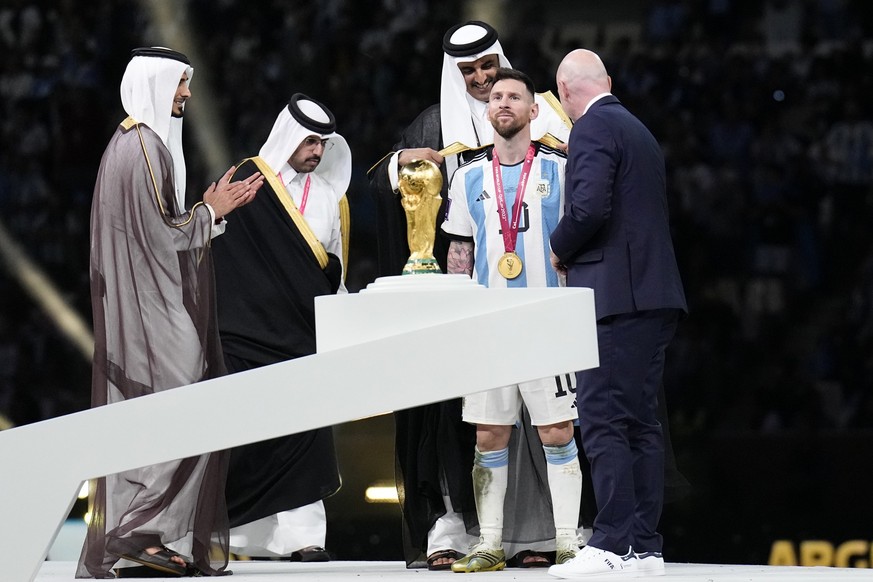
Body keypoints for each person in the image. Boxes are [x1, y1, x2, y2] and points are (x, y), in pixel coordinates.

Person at [368, 20, 575, 571]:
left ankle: (548, 533)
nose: (483, 81)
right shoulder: (434, 124)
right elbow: (391, 188)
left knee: (552, 425)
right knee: (475, 425)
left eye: (490, 68)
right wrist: (409, 167)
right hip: (474, 302)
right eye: (472, 73)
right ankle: (462, 530)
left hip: (545, 303)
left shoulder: (547, 119)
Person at [77, 46, 264, 579]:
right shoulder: (145, 148)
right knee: (190, 409)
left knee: (153, 417)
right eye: (180, 84)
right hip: (154, 309)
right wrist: (212, 210)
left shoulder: (125, 142)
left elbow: (155, 228)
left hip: (139, 306)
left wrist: (201, 213)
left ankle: (142, 540)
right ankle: (143, 529)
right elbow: (162, 236)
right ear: (156, 84)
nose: (185, 95)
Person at [546, 49, 687, 579]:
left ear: (563, 91)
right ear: (605, 81)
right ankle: (643, 547)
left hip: (615, 297)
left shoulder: (591, 128)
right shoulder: (637, 128)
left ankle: (611, 544)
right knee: (639, 423)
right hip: (652, 296)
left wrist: (558, 248)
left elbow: (588, 209)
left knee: (604, 419)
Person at [441, 68, 582, 573]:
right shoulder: (467, 177)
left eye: (514, 97)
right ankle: (490, 543)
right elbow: (460, 250)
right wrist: (460, 316)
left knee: (558, 431)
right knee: (488, 435)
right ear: (487, 110)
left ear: (533, 110)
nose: (503, 103)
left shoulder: (562, 171)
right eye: (496, 96)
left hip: (547, 323)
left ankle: (567, 540)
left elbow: (581, 238)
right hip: (488, 327)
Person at [212, 94, 351, 562]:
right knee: (244, 431)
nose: (316, 151)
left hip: (300, 331)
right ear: (288, 137)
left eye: (323, 143)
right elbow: (216, 250)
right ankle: (237, 536)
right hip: (243, 331)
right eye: (309, 141)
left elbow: (332, 268)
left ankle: (303, 538)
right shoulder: (243, 181)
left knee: (304, 431)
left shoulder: (330, 197)